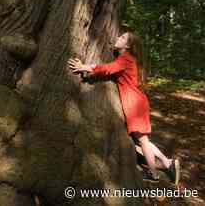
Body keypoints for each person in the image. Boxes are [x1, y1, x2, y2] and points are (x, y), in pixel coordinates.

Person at [67, 31, 180, 184]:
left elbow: (107, 68)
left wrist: (84, 67)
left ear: (127, 45)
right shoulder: (127, 58)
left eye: (122, 37)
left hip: (134, 104)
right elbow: (109, 67)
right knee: (142, 139)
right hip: (137, 102)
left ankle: (154, 173)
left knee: (143, 141)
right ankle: (168, 163)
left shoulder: (126, 58)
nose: (118, 38)